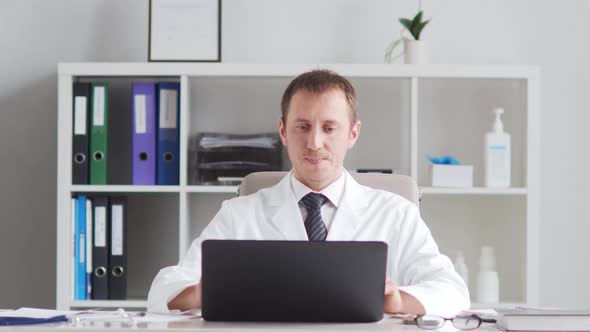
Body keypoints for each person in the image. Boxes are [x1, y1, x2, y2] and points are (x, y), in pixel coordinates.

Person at [147, 69, 470, 317]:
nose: (315, 143)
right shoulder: (240, 213)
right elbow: (163, 290)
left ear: (352, 133)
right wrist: (204, 292)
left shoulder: (394, 213)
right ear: (284, 131)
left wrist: (399, 300)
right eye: (302, 127)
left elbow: (452, 292)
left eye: (330, 128)